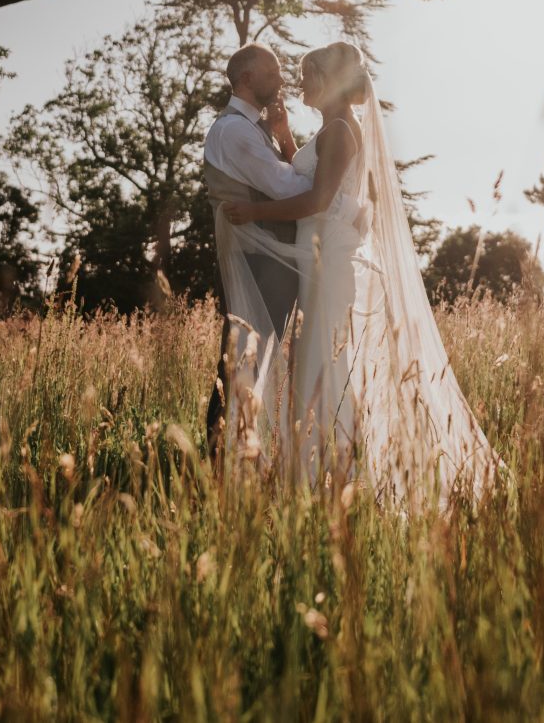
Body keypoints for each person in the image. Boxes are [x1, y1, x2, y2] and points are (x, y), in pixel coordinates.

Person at [222, 42, 496, 504]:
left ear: (327, 81)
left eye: (308, 75)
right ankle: (318, 478)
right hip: (319, 265)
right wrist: (286, 137)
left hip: (329, 269)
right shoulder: (332, 129)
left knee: (322, 371)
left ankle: (330, 480)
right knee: (315, 369)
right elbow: (310, 180)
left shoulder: (340, 131)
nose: (300, 82)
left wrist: (252, 211)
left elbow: (316, 202)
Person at [200, 43, 309, 459]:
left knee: (251, 367)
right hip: (258, 262)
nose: (280, 79)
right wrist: (334, 189)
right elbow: (286, 186)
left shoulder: (251, 127)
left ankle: (235, 458)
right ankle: (218, 462)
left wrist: (282, 134)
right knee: (239, 366)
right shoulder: (235, 130)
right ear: (246, 78)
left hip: (266, 259)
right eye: (272, 71)